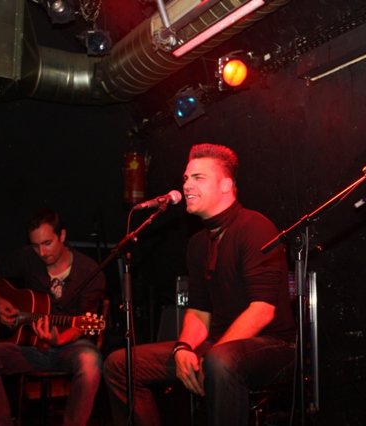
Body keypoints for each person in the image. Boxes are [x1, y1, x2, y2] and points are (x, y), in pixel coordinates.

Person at [104, 143, 296, 426]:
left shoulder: (255, 227)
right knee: (119, 365)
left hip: (272, 346)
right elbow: (199, 311)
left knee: (220, 360)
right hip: (218, 346)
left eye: (198, 178)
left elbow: (262, 310)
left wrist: (210, 355)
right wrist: (183, 347)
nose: (186, 186)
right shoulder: (197, 244)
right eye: (186, 178)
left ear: (226, 185)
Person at [0, 208, 106, 426]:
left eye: (47, 243)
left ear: (62, 235)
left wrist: (58, 340)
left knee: (90, 363)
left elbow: (83, 323)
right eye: (36, 246)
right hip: (29, 346)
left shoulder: (89, 271)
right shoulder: (27, 257)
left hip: (70, 346)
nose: (42, 252)